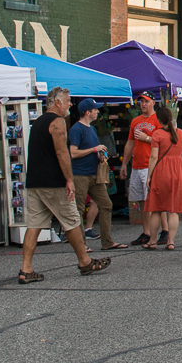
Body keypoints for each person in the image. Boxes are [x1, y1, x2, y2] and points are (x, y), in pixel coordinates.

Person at [18, 87, 112, 283]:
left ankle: (26, 269)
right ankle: (85, 261)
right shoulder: (57, 122)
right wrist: (69, 180)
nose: (70, 104)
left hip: (35, 181)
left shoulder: (38, 123)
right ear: (57, 103)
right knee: (71, 220)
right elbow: (62, 153)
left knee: (34, 225)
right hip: (54, 181)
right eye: (68, 101)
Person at [69, 99, 123, 251]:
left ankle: (107, 242)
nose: (98, 112)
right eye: (95, 110)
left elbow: (94, 149)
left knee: (106, 204)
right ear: (88, 112)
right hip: (80, 174)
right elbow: (73, 152)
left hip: (95, 173)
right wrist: (94, 149)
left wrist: (100, 156)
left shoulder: (92, 129)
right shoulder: (76, 129)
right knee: (79, 209)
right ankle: (81, 245)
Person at [143, 104, 182, 250]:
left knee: (157, 208)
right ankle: (170, 241)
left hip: (161, 172)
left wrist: (149, 176)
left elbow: (153, 157)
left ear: (159, 120)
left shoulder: (157, 135)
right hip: (178, 171)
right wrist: (181, 171)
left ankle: (152, 241)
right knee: (173, 209)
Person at [120, 92, 159, 246]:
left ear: (153, 103)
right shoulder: (136, 121)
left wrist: (147, 138)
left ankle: (156, 234)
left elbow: (164, 141)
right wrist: (124, 164)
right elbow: (130, 143)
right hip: (136, 165)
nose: (143, 104)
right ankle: (146, 232)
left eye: (146, 101)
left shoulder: (157, 120)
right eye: (141, 101)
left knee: (151, 200)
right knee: (141, 200)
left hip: (150, 165)